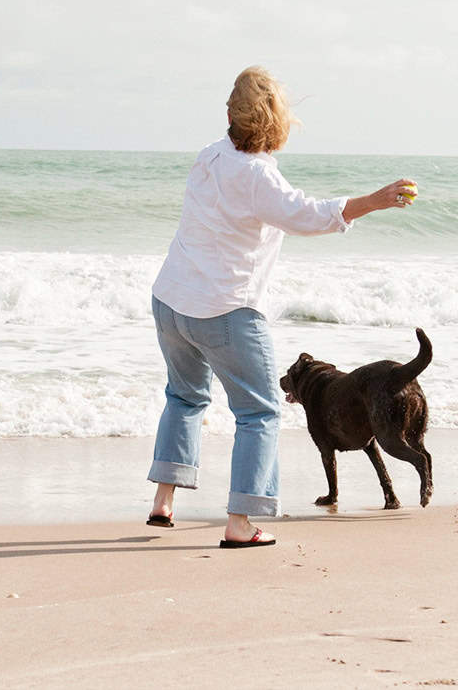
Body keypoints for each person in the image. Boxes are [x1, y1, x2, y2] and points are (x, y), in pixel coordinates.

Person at [146, 66, 414, 549]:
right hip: (224, 309)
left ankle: (164, 502)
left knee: (184, 397)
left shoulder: (209, 157)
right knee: (260, 412)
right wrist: (373, 200)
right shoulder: (256, 175)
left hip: (170, 301)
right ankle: (241, 523)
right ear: (277, 122)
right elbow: (306, 215)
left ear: (230, 114)